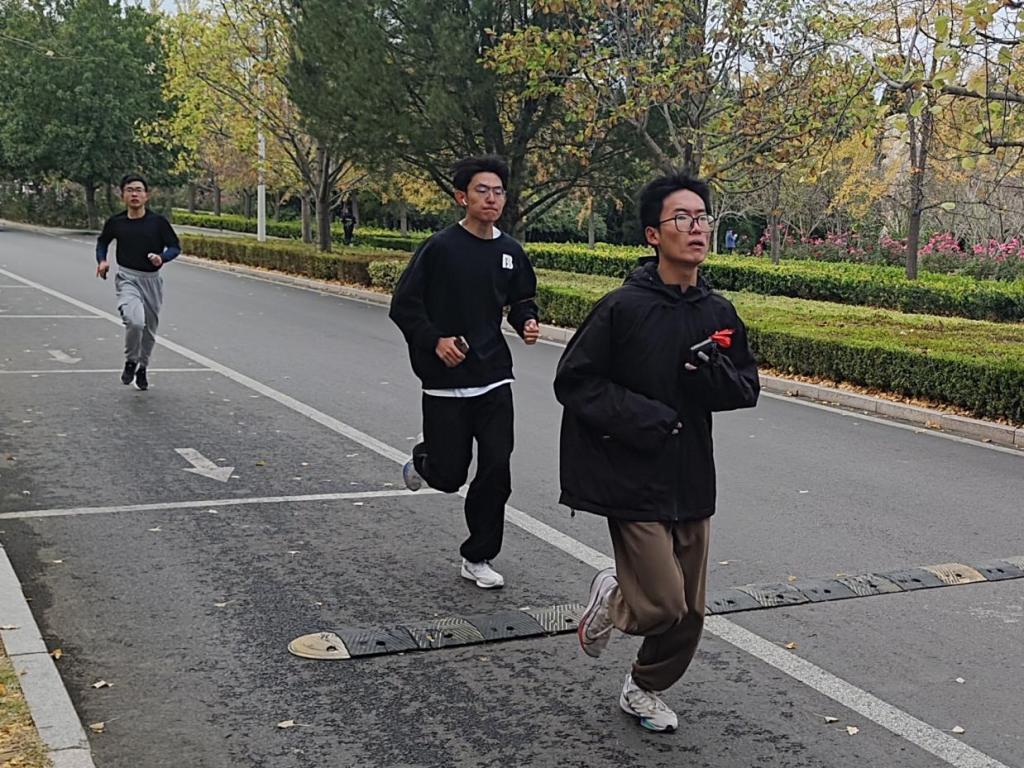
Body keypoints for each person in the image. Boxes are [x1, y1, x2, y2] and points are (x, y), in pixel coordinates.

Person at [554, 172, 759, 732]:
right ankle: (615, 598)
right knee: (662, 604)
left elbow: (746, 388)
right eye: (682, 218)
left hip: (692, 475)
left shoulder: (719, 312)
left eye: (702, 218)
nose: (696, 229)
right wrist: (648, 418)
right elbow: (575, 381)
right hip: (631, 473)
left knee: (690, 613)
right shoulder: (622, 308)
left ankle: (643, 687)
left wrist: (711, 373)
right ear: (653, 234)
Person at [389, 155, 540, 589]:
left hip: (494, 376)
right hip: (446, 381)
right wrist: (435, 340)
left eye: (498, 192)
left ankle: (478, 556)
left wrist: (527, 321)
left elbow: (520, 299)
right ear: (462, 197)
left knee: (496, 469)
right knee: (449, 475)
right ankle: (424, 461)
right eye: (482, 191)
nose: (492, 199)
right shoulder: (439, 248)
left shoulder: (510, 252)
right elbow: (404, 306)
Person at [95, 174, 181, 391]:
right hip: (127, 278)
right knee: (135, 321)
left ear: (146, 195)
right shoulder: (116, 222)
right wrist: (102, 261)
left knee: (149, 330)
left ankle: (142, 367)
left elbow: (174, 246)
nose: (134, 194)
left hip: (151, 281)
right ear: (123, 195)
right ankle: (131, 361)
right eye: (130, 190)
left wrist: (162, 258)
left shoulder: (158, 222)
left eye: (139, 190)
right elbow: (102, 242)